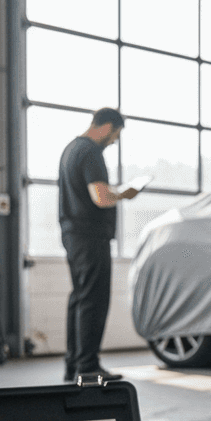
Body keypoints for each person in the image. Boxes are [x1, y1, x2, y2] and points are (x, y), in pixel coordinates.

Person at [58, 108, 140, 382]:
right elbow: (102, 198)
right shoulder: (91, 152)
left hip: (73, 235)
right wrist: (125, 193)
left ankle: (74, 365)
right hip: (90, 237)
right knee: (94, 300)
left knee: (80, 298)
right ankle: (88, 365)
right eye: (116, 134)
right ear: (107, 126)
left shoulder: (71, 149)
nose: (114, 141)